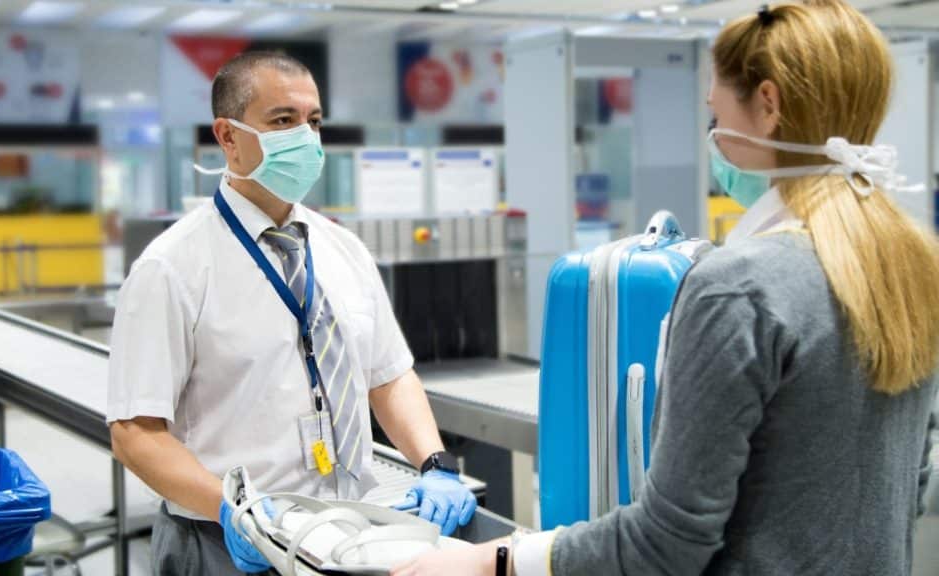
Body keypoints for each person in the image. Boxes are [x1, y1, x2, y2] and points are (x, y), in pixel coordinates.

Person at [393, 1, 939, 574]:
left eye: (715, 115)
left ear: (769, 104)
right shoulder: (909, 266)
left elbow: (669, 541)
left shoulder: (740, 286)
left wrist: (492, 561)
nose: (712, 134)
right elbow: (910, 479)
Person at [106, 51, 476, 574]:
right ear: (228, 137)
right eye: (283, 121)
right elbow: (135, 432)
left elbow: (389, 375)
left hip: (348, 533)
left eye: (314, 121)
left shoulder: (343, 250)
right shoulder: (172, 268)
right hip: (224, 543)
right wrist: (233, 510)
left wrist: (434, 464)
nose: (306, 138)